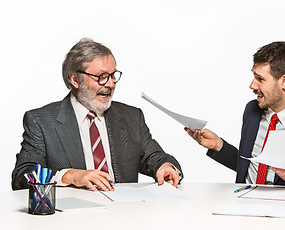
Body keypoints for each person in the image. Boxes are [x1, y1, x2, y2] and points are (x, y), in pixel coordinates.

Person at [12, 38, 182, 191]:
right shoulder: (41, 121)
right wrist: (70, 176)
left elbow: (154, 157)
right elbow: (23, 175)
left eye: (113, 75)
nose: (111, 83)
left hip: (124, 216)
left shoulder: (131, 116)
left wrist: (165, 167)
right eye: (102, 76)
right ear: (75, 80)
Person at [185, 41, 285, 188]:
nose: (252, 85)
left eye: (260, 79)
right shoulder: (252, 111)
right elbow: (249, 167)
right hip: (244, 204)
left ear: (284, 82)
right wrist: (218, 146)